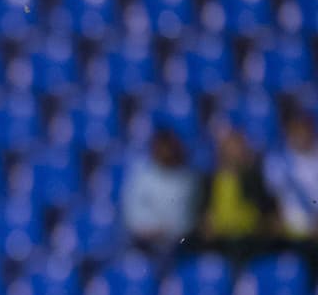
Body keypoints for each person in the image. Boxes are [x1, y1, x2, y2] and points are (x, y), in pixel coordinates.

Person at [120, 127, 203, 253]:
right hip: (144, 244)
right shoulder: (140, 177)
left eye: (170, 148)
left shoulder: (188, 179)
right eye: (162, 147)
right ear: (154, 148)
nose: (166, 152)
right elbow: (132, 214)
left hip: (179, 245)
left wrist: (170, 232)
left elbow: (189, 218)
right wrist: (152, 230)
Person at [199, 127, 277, 259]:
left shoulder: (254, 178)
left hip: (249, 240)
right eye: (231, 147)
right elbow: (204, 214)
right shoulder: (210, 180)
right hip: (220, 241)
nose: (235, 151)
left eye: (239, 146)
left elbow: (264, 212)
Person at [265, 110, 318, 240]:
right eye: (295, 131)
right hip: (290, 232)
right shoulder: (277, 162)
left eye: (303, 130)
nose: (300, 135)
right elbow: (274, 197)